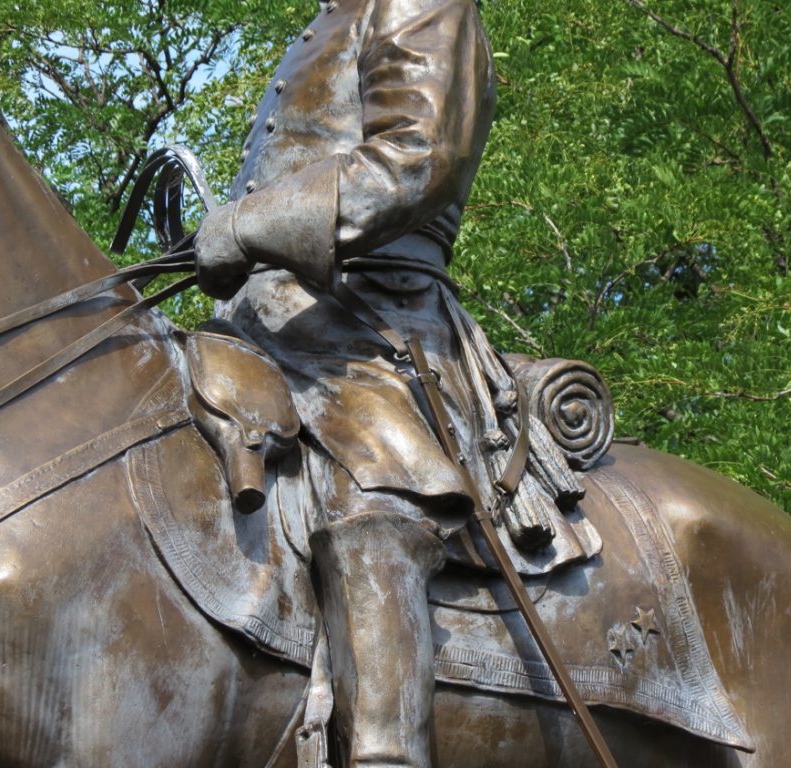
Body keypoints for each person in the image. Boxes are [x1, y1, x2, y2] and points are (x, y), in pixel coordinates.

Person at [195, 0, 592, 764]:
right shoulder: (325, 21)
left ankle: (387, 750)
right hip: (264, 322)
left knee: (374, 498)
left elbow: (417, 157)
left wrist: (248, 226)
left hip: (371, 323)